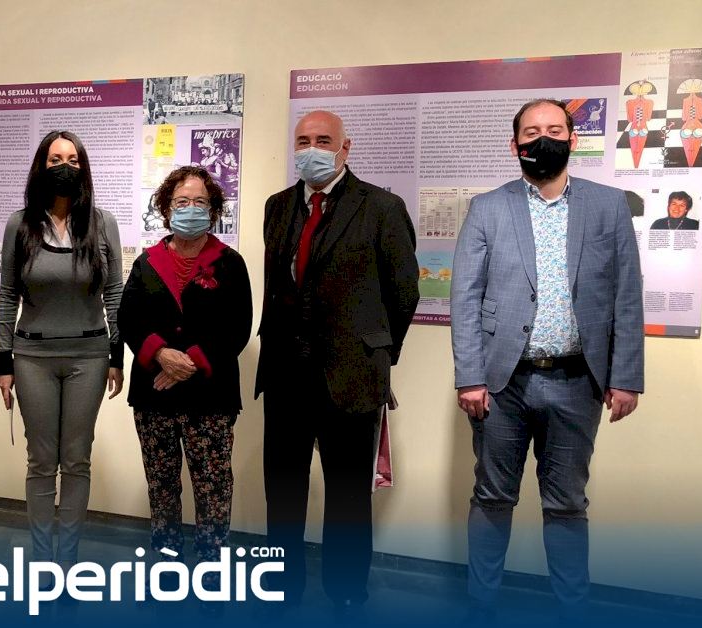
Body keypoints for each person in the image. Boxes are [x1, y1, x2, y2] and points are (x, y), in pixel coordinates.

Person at [451, 98, 644, 622]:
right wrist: (469, 377)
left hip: (577, 382)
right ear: (514, 144)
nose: (543, 139)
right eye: (532, 132)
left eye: (555, 130)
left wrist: (626, 377)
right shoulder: (488, 207)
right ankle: (480, 606)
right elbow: (464, 297)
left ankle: (572, 610)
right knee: (492, 497)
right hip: (501, 384)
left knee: (567, 504)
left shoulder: (609, 205)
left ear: (573, 139)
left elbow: (627, 296)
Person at [255, 110, 419, 619]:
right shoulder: (278, 206)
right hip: (286, 372)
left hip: (351, 374)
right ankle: (281, 583)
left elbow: (403, 293)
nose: (312, 149)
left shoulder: (382, 207)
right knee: (283, 490)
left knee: (348, 495)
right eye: (303, 140)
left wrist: (376, 352)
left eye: (323, 140)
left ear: (345, 148)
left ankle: (347, 591)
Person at [119, 166, 251, 616]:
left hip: (209, 396)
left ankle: (212, 574)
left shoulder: (230, 263)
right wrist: (159, 353)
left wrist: (188, 362)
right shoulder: (146, 262)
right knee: (162, 486)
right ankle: (167, 569)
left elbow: (238, 326)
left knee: (213, 488)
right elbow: (129, 319)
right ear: (166, 208)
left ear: (212, 209)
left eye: (199, 202)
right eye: (181, 202)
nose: (190, 209)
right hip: (153, 396)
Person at [0, 130, 124, 571]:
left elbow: (114, 293)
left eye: (72, 159)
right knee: (40, 461)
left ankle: (68, 561)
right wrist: (5, 363)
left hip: (90, 357)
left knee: (76, 460)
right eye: (54, 159)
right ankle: (42, 562)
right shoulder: (20, 224)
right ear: (41, 166)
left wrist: (117, 356)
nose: (63, 166)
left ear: (83, 168)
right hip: (33, 358)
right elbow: (8, 296)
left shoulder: (103, 224)